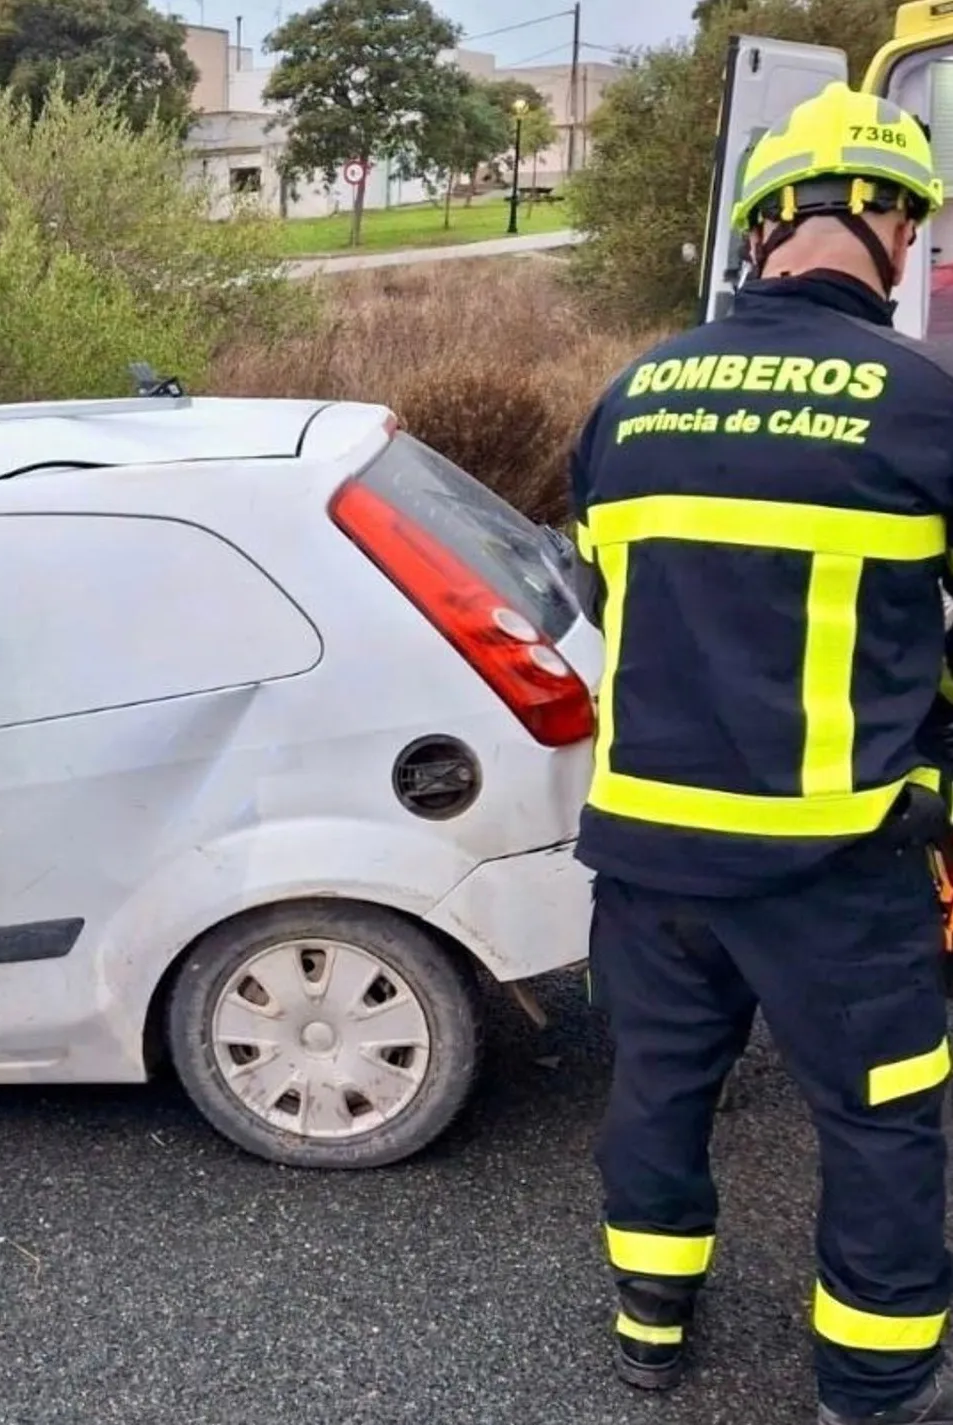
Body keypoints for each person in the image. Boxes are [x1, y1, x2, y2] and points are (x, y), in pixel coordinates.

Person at [567, 83, 953, 1425]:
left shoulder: (631, 396)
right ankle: (873, 1383)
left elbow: (617, 600)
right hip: (832, 864)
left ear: (762, 228)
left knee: (658, 1091)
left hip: (647, 856)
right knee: (881, 1115)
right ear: (893, 229)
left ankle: (649, 1324)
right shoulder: (920, 404)